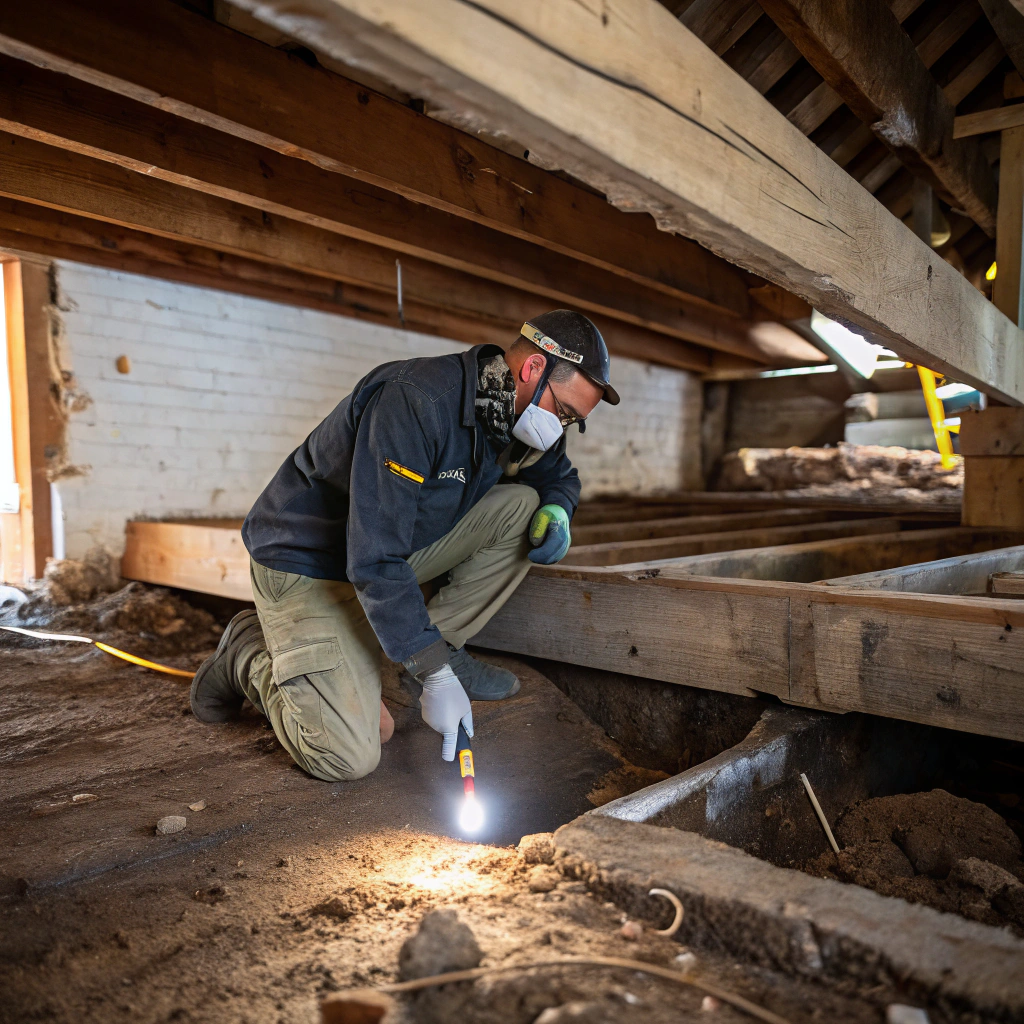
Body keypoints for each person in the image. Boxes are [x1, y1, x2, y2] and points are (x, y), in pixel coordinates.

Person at [189, 310, 618, 781]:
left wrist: (558, 508)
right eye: (563, 412)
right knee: (350, 754)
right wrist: (431, 672)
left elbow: (558, 476)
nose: (559, 427)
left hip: (384, 549)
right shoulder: (416, 402)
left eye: (572, 421)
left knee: (523, 505)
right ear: (532, 369)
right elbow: (373, 557)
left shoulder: (513, 414)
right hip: (307, 564)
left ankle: (434, 644)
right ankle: (247, 652)